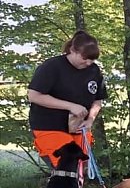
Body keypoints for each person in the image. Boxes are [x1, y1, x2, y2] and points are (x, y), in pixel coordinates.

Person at [27, 30, 107, 169]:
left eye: (92, 59)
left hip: (79, 128)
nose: (88, 62)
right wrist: (70, 106)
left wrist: (90, 119)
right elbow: (34, 95)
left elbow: (97, 100)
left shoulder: (94, 71)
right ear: (72, 50)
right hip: (50, 127)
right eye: (84, 58)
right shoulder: (52, 67)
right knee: (65, 170)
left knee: (82, 170)